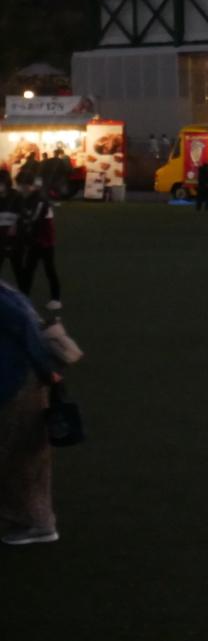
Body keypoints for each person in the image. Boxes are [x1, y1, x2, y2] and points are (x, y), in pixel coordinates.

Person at [0, 281, 60, 545]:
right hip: (22, 378)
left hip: (16, 382)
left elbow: (25, 325)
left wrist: (47, 371)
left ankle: (36, 523)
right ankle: (35, 520)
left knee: (20, 456)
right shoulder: (7, 291)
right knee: (25, 454)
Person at [16, 177, 61, 310]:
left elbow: (32, 220)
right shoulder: (25, 200)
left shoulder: (41, 201)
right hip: (33, 242)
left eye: (24, 186)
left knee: (49, 270)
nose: (22, 189)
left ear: (31, 186)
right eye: (20, 186)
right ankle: (23, 299)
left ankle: (56, 298)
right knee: (28, 271)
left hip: (45, 242)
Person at [0, 172, 22, 284]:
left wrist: (15, 225)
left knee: (17, 267)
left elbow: (22, 214)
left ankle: (23, 290)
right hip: (1, 235)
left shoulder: (16, 196)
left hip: (14, 237)